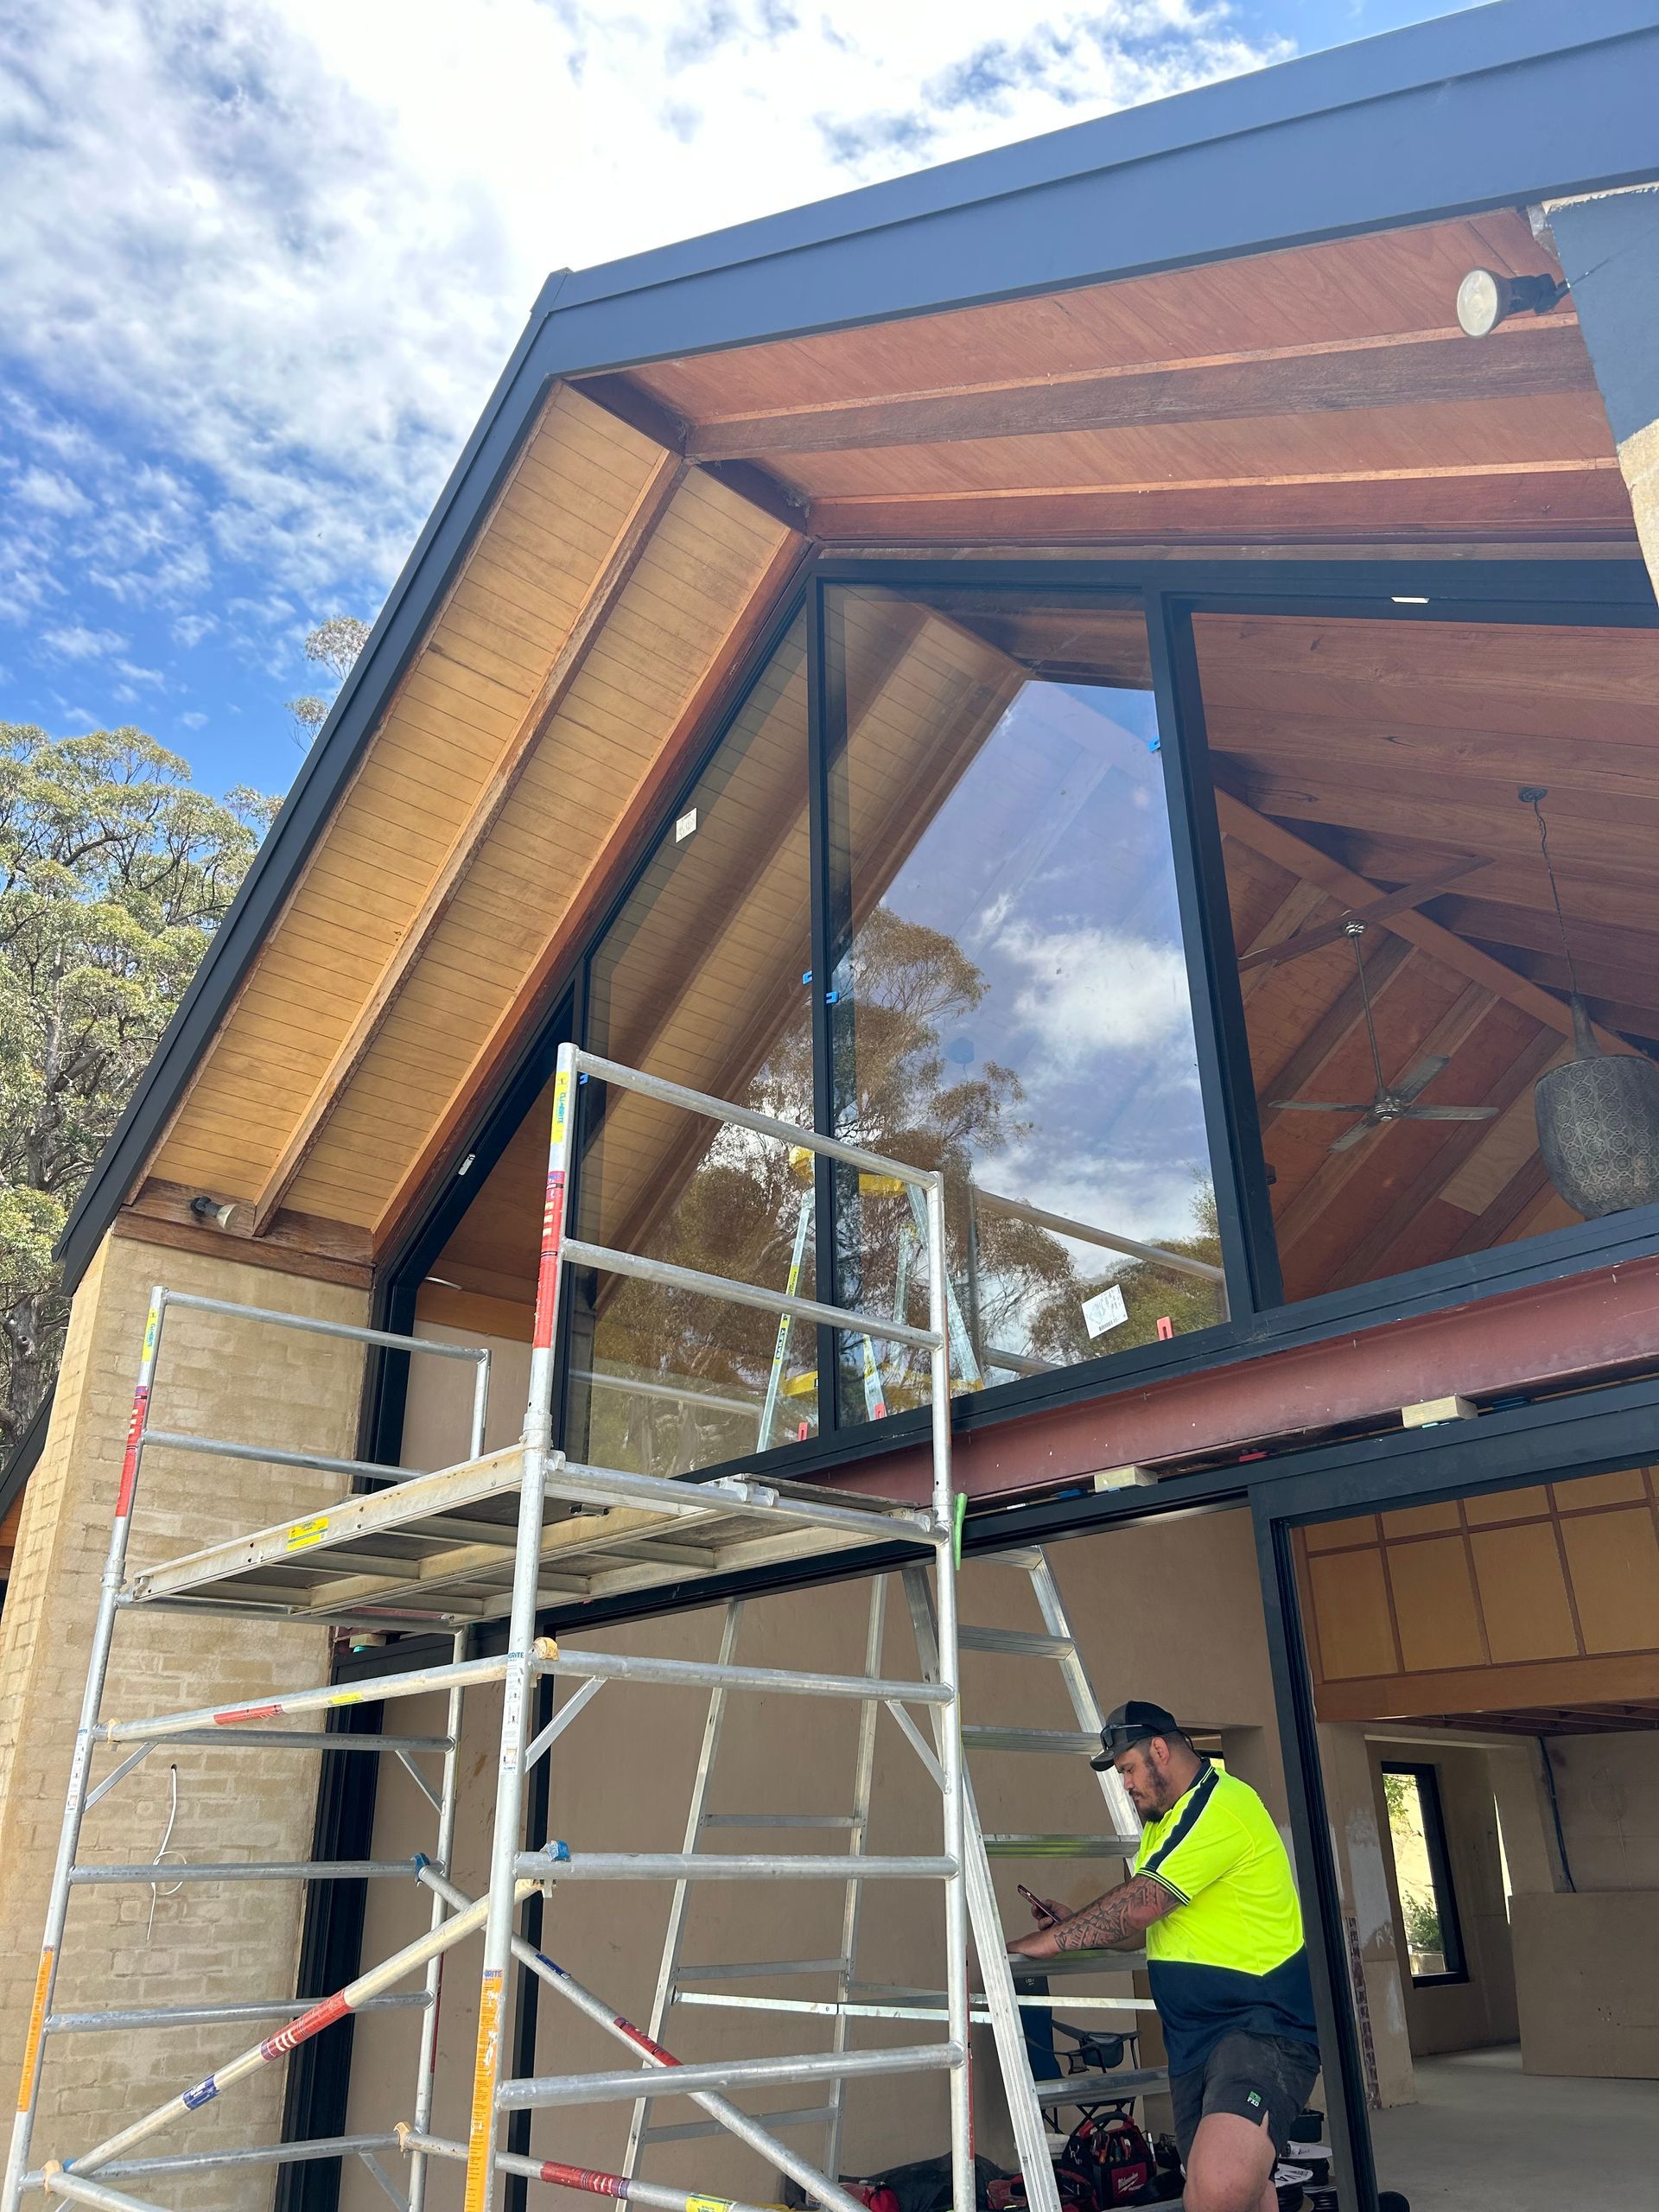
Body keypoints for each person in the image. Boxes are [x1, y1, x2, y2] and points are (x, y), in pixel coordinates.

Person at [1007, 1700, 1319, 2212]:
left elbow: (1139, 1906)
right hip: (1196, 2038)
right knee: (1225, 2191)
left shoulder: (1221, 1806)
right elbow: (1142, 1928)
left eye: (1128, 1769)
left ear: (1159, 1750)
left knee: (1219, 2187)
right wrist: (1072, 1925)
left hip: (1259, 2027)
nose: (1125, 1784)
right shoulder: (1160, 1826)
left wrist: (1030, 1946)